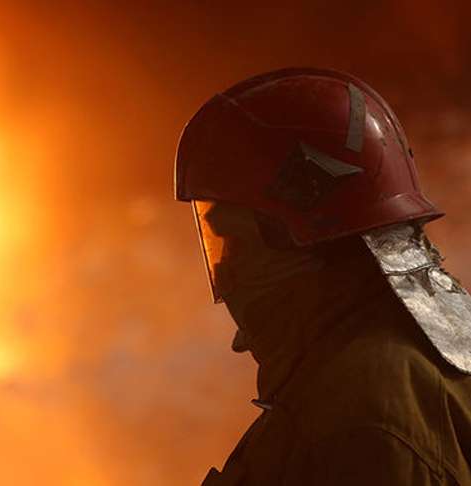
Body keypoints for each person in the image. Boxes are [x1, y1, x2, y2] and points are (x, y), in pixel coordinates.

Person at [174, 68, 471, 485]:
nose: (225, 267)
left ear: (311, 239)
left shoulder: (361, 420)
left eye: (236, 242)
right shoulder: (410, 366)